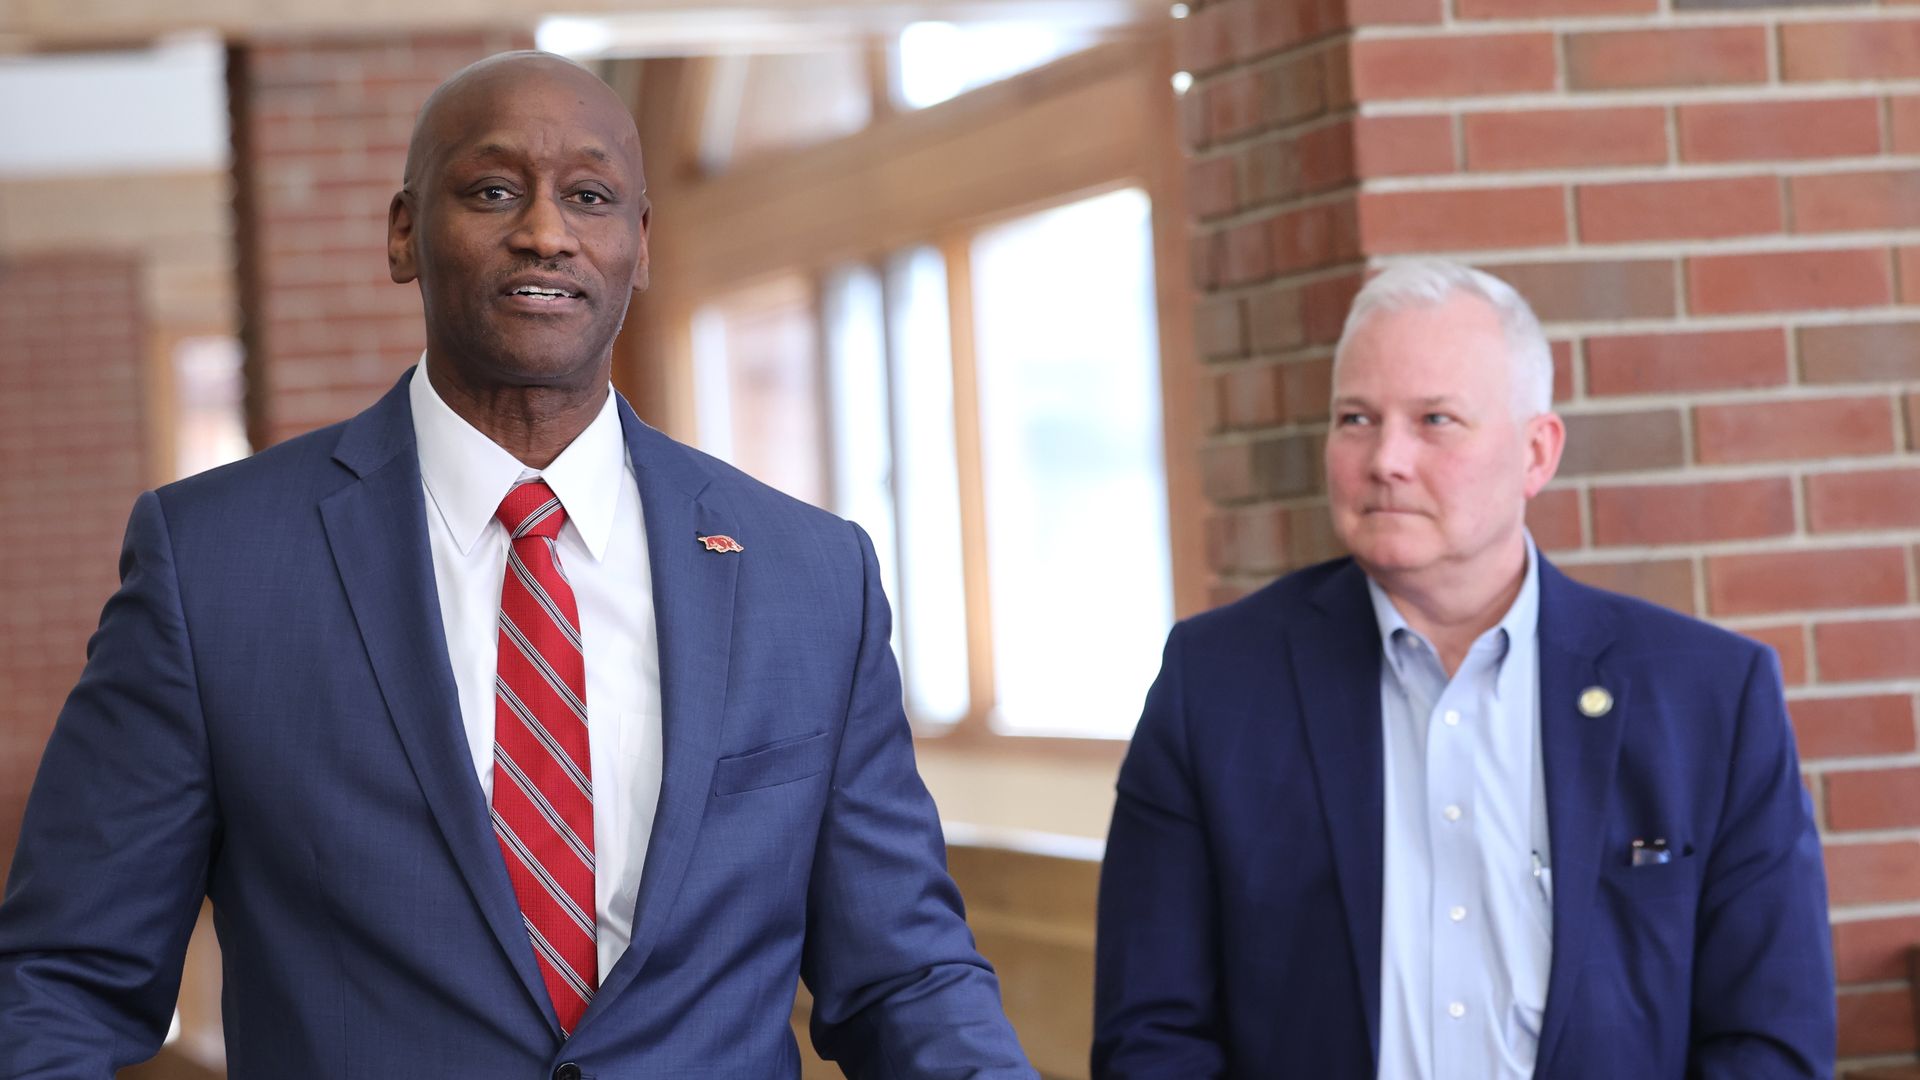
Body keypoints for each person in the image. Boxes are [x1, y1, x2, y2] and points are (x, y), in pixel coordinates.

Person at [0, 51, 1034, 1079]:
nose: (545, 232)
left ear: (639, 243)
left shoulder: (811, 576)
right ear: (404, 232)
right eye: (492, 190)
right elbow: (64, 982)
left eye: (589, 197)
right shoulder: (214, 564)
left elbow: (905, 976)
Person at [1093, 260, 1834, 1079]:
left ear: (1536, 453)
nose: (1387, 459)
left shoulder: (1711, 699)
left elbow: (1771, 1041)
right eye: (1356, 419)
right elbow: (1151, 1037)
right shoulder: (1218, 687)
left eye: (1436, 419)